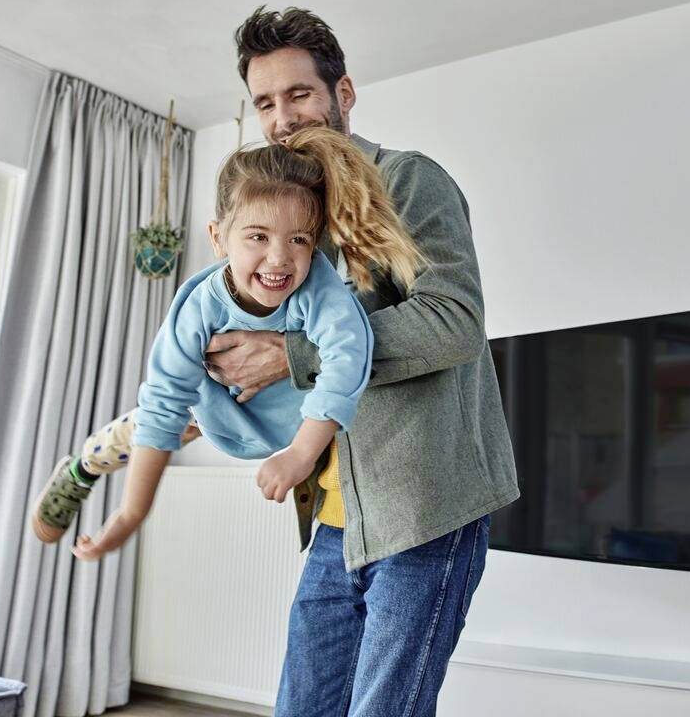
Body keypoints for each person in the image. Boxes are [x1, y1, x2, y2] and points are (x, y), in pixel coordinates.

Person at [198, 7, 520, 717]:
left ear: (342, 94)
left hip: (425, 513)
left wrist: (292, 355)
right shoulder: (294, 227)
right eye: (265, 104)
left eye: (299, 94)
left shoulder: (408, 181)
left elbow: (453, 322)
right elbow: (290, 369)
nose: (283, 118)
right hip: (338, 522)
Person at [30, 126, 423, 563]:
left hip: (292, 422)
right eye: (258, 236)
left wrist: (300, 452)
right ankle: (81, 468)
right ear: (218, 238)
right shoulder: (196, 309)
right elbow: (164, 405)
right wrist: (129, 517)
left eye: (298, 239)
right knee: (143, 425)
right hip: (211, 407)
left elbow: (349, 358)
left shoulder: (319, 287)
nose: (279, 258)